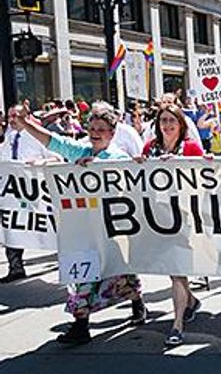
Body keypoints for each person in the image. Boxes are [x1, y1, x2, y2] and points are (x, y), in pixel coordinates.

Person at [7, 103, 146, 345]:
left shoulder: (118, 158)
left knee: (122, 271)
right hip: (84, 231)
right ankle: (81, 325)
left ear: (112, 134)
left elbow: (129, 187)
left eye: (101, 129)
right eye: (91, 128)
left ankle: (137, 303)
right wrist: (27, 124)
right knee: (84, 275)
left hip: (112, 230)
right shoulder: (80, 152)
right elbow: (54, 141)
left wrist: (96, 168)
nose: (94, 133)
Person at [140, 103, 207, 347]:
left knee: (178, 269)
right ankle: (190, 301)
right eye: (163, 120)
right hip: (158, 217)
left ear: (181, 124)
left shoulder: (190, 147)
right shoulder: (150, 147)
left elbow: (204, 178)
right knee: (172, 268)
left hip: (185, 216)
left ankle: (177, 324)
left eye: (172, 121)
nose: (167, 125)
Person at [0, 105, 59, 283]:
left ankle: (63, 258)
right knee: (12, 226)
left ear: (26, 116)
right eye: (9, 117)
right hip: (14, 193)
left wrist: (39, 162)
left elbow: (57, 158)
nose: (11, 120)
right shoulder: (8, 138)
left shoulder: (37, 136)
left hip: (37, 192)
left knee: (47, 226)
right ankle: (15, 267)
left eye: (16, 116)